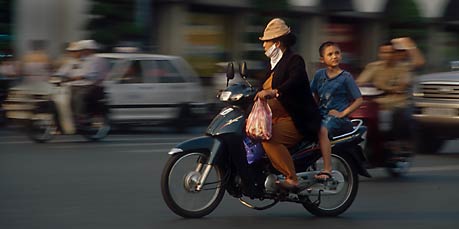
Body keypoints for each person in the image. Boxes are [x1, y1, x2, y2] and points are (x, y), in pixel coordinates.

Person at [255, 18, 322, 190]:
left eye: (266, 42)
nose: (263, 45)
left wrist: (275, 91)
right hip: (274, 117)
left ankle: (292, 178)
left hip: (296, 119)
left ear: (277, 43)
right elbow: (258, 86)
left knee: (269, 138)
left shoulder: (294, 60)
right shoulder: (271, 65)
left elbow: (296, 80)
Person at [310, 41, 363, 179]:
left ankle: (327, 169)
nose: (334, 56)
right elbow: (313, 94)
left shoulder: (346, 77)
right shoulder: (319, 75)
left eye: (337, 53)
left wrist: (342, 113)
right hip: (320, 115)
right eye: (330, 54)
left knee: (322, 130)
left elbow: (359, 100)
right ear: (322, 59)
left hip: (337, 119)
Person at [355, 37, 425, 110]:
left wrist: (410, 45)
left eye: (390, 52)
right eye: (384, 53)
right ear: (379, 54)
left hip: (398, 103)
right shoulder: (373, 66)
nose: (387, 55)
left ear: (396, 54)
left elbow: (419, 62)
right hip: (378, 101)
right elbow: (359, 83)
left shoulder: (404, 67)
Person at [65, 39, 108, 124]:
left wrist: (82, 77)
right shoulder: (83, 60)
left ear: (89, 50)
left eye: (83, 50)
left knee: (79, 96)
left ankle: (80, 115)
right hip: (86, 83)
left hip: (96, 85)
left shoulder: (96, 60)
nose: (81, 52)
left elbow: (93, 74)